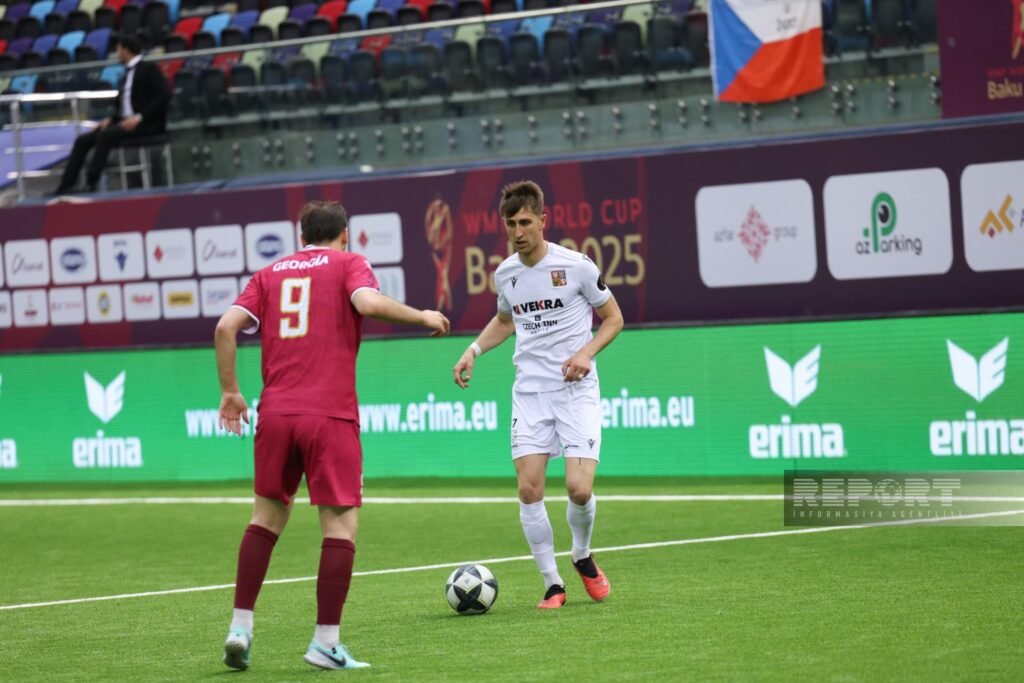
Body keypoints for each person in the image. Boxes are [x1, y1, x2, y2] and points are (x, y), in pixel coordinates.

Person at [214, 200, 450, 671]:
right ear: (345, 234)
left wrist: (230, 391)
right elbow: (368, 303)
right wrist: (423, 316)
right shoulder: (349, 263)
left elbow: (225, 327)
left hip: (276, 413)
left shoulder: (269, 274)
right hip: (329, 414)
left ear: (301, 236)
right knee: (340, 528)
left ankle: (240, 627)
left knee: (265, 519)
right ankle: (325, 642)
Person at [452, 180, 624, 609]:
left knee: (579, 489)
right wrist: (473, 350)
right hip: (529, 393)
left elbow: (614, 319)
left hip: (575, 391)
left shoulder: (577, 266)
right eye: (511, 223)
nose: (518, 231)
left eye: (525, 222)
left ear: (543, 220)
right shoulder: (506, 274)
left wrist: (585, 353)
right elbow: (505, 320)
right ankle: (552, 584)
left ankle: (581, 554)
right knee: (529, 490)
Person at [54, 34, 169, 194]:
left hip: (145, 123)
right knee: (83, 140)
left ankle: (91, 182)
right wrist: (110, 120)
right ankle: (66, 185)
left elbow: (163, 96)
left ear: (126, 50)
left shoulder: (149, 69)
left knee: (105, 136)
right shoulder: (126, 74)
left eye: (118, 50)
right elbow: (124, 105)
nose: (117, 54)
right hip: (124, 122)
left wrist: (139, 117)